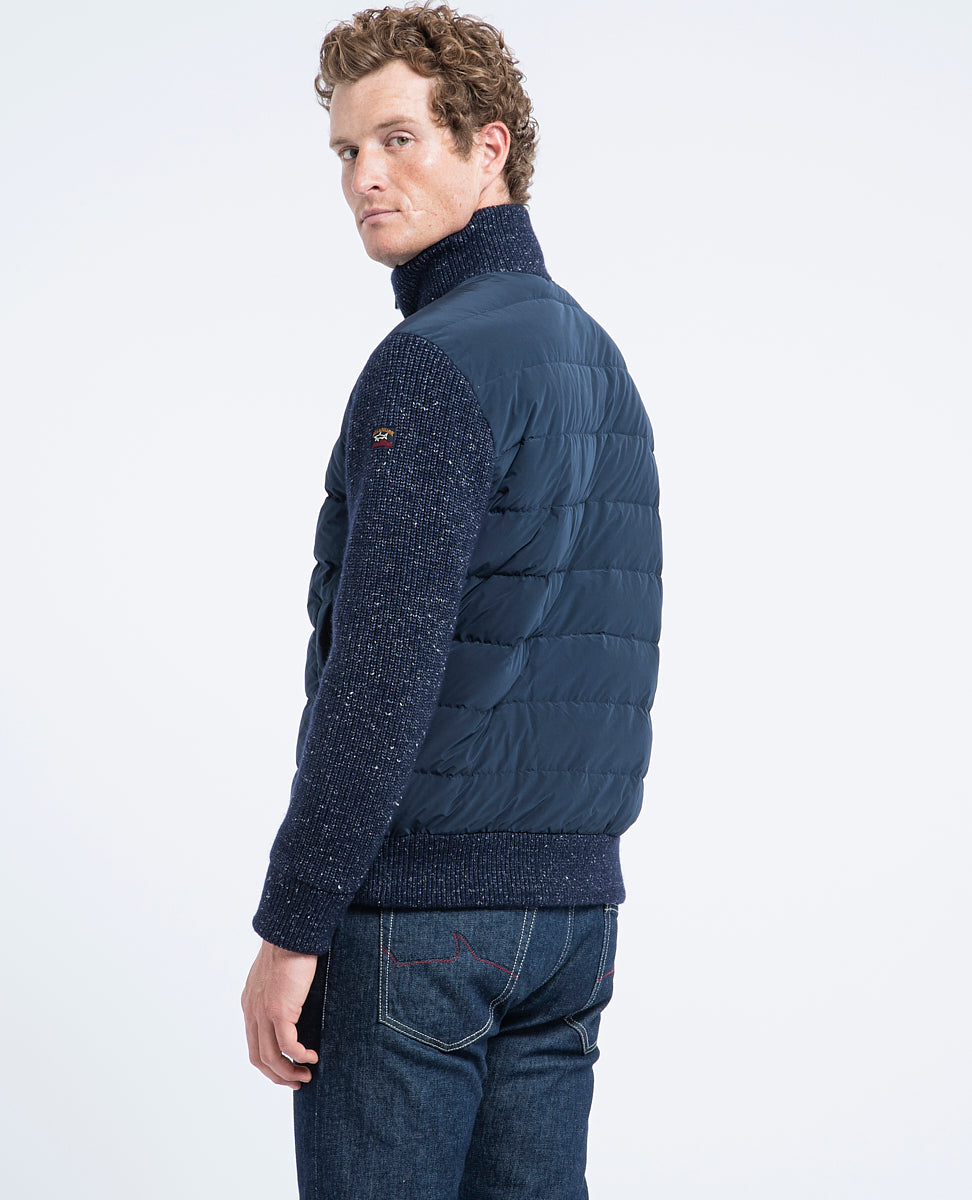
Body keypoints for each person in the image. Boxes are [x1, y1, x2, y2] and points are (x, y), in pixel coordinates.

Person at [241, 4, 662, 1197]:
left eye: (398, 140)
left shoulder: (431, 366)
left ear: (490, 147)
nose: (363, 178)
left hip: (420, 926)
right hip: (569, 926)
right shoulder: (599, 362)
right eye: (346, 150)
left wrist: (292, 926)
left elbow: (382, 673)